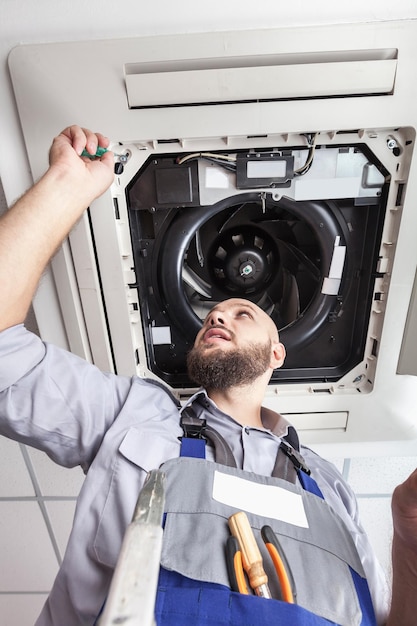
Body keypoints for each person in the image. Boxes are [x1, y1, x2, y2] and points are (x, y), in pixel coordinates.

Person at [0, 125, 416, 626]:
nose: (217, 316)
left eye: (244, 314)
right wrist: (67, 182)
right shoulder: (131, 415)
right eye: (212, 313)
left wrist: (408, 537)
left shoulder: (330, 488)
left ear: (278, 354)